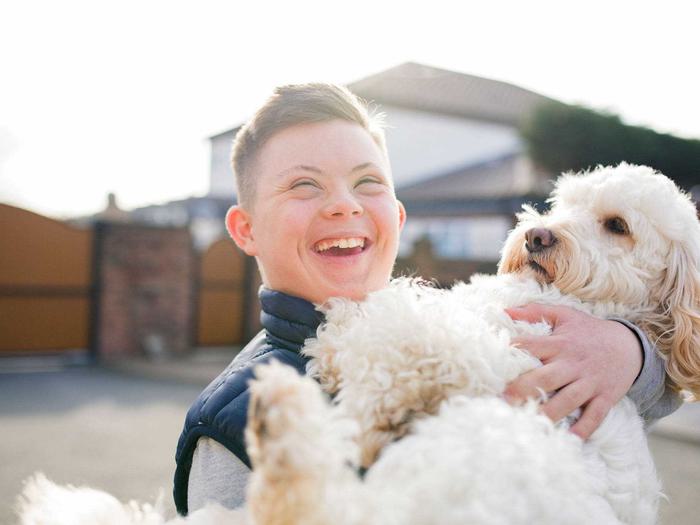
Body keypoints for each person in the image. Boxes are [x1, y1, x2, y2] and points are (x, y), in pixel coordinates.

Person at [173, 83, 681, 515]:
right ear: (246, 230)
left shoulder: (463, 322)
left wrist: (630, 353)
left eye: (366, 182)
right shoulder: (235, 422)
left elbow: (656, 383)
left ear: (396, 216)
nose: (344, 205)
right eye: (304, 185)